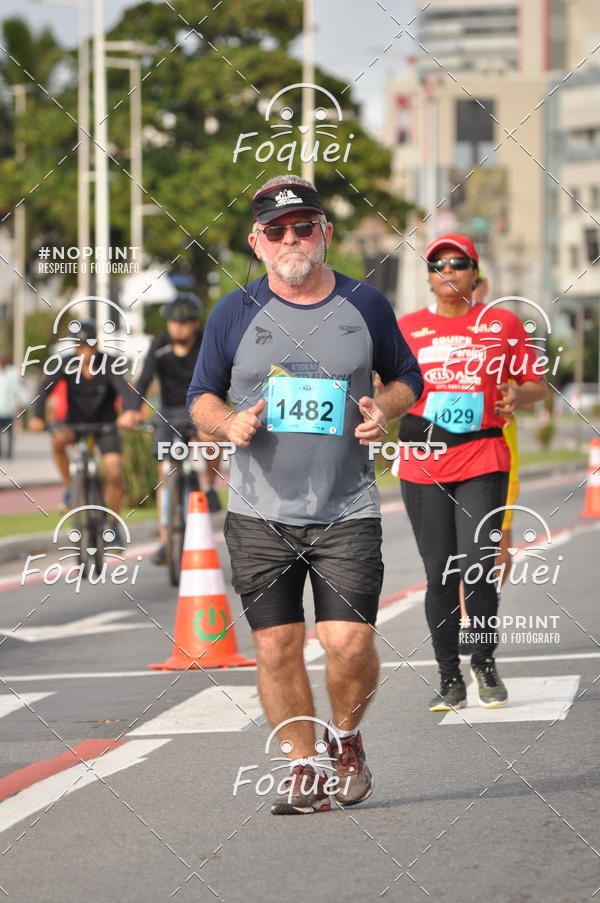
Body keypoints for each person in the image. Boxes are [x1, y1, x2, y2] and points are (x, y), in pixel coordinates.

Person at [187, 175, 423, 814]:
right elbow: (200, 394)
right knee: (276, 644)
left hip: (346, 506)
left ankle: (346, 740)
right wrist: (226, 422)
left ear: (323, 232)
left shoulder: (366, 303)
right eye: (276, 230)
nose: (290, 238)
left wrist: (386, 410)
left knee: (348, 643)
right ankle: (304, 767)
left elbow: (407, 378)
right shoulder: (233, 312)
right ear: (256, 242)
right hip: (260, 511)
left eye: (303, 226)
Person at [396, 234, 546, 711]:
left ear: (475, 275)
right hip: (423, 461)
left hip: (483, 456)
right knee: (440, 574)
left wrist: (517, 398)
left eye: (458, 263)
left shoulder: (500, 324)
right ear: (428, 276)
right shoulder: (406, 328)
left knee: (478, 567)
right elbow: (389, 387)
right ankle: (448, 677)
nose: (448, 271)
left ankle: (482, 661)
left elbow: (535, 384)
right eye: (438, 264)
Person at [132, 293, 222, 567]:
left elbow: (221, 375)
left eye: (183, 323)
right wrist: (133, 409)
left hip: (201, 406)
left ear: (194, 324)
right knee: (164, 472)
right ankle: (165, 538)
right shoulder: (159, 345)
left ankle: (207, 485)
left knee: (212, 439)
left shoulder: (207, 342)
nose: (177, 327)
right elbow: (145, 378)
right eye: (173, 322)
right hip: (169, 412)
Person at [28, 319, 137, 517]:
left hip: (106, 426)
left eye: (89, 344)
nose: (84, 349)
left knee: (114, 472)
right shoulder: (66, 363)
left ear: (96, 344)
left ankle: (113, 526)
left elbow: (125, 390)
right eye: (80, 345)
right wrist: (37, 417)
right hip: (75, 425)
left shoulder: (110, 362)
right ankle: (70, 487)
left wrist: (129, 412)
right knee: (58, 440)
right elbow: (43, 390)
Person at [0, 352, 19, 458]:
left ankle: (9, 453)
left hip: (8, 409)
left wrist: (16, 406)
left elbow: (15, 391)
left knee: (10, 433)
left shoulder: (12, 373)